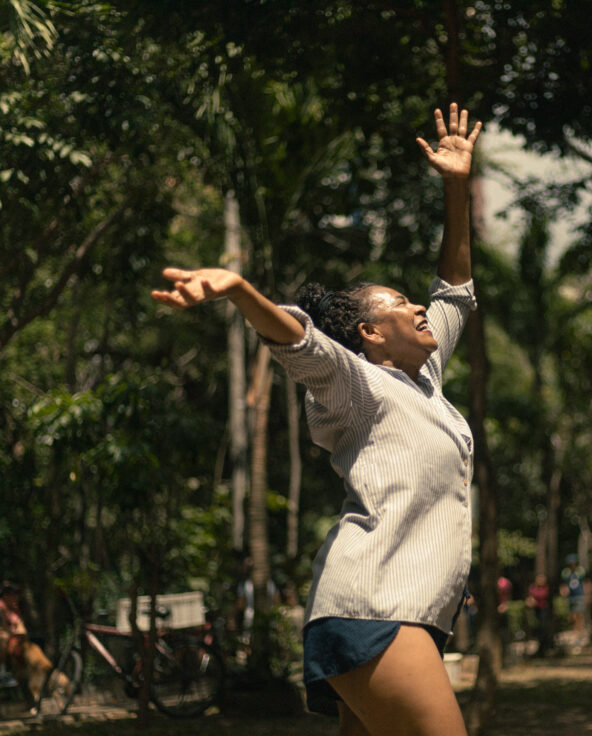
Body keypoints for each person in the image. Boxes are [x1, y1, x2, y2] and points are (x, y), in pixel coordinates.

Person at [152, 103, 482, 736]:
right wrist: (239, 289)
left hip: (398, 611)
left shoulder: (425, 381)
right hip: (376, 607)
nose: (417, 307)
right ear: (369, 333)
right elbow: (300, 341)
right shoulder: (358, 384)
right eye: (399, 305)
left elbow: (455, 289)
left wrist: (457, 184)